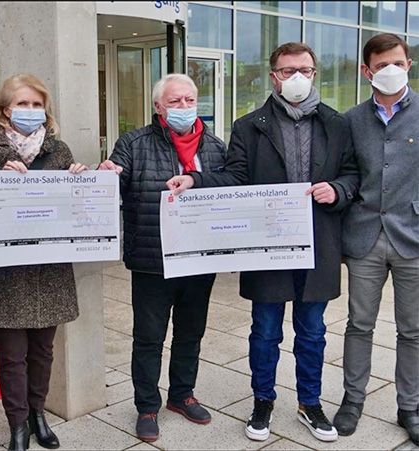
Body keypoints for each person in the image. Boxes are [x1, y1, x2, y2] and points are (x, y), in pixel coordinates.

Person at [167, 43, 359, 442]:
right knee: (265, 331)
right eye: (287, 71)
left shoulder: (337, 124)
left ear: (315, 73)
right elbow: (234, 175)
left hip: (318, 244)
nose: (296, 78)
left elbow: (352, 175)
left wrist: (338, 190)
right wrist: (196, 180)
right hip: (267, 245)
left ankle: (310, 403)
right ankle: (263, 401)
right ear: (273, 76)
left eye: (304, 70)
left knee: (313, 332)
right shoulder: (249, 125)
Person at [99, 73, 227, 443]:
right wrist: (106, 175)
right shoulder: (134, 143)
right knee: (149, 337)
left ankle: (182, 395)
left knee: (191, 333)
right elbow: (114, 185)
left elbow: (233, 187)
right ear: (158, 107)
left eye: (189, 100)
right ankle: (147, 406)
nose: (184, 107)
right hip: (152, 261)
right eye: (175, 102)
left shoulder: (216, 148)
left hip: (199, 261)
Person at [0, 73, 87, 451]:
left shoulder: (59, 151)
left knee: (43, 351)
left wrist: (79, 184)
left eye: (37, 105)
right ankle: (17, 423)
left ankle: (38, 414)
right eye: (22, 104)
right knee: (12, 355)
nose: (31, 111)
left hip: (48, 269)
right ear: (4, 109)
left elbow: (73, 210)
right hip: (6, 270)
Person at [333, 33, 419, 446]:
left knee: (413, 330)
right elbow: (347, 173)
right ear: (366, 70)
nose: (390, 70)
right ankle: (353, 401)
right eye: (381, 64)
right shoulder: (350, 120)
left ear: (409, 65)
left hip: (413, 239)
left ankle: (411, 406)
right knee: (359, 325)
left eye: (397, 63)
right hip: (365, 236)